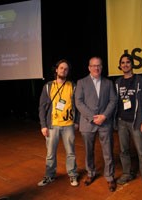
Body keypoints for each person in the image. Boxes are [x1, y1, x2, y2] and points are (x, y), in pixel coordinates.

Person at [74, 56, 118, 192]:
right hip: (88, 123)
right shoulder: (81, 82)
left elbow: (113, 101)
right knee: (89, 151)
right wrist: (93, 118)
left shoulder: (108, 83)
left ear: (102, 67)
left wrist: (104, 116)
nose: (96, 68)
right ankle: (91, 173)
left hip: (105, 122)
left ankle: (110, 177)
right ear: (89, 67)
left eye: (99, 65)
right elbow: (79, 102)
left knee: (108, 152)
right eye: (93, 65)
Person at [114, 53, 142, 192]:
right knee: (124, 151)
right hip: (121, 122)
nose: (125, 64)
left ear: (132, 64)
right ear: (120, 66)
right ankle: (127, 174)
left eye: (128, 62)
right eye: (123, 63)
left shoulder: (140, 80)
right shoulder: (118, 82)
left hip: (137, 122)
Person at [38, 59, 79, 187]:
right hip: (52, 126)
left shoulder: (73, 86)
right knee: (50, 154)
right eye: (61, 68)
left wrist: (76, 122)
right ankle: (49, 176)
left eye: (66, 69)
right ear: (56, 70)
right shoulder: (48, 86)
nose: (63, 70)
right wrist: (43, 125)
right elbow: (42, 107)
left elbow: (77, 106)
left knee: (71, 152)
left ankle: (72, 175)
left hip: (68, 125)